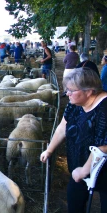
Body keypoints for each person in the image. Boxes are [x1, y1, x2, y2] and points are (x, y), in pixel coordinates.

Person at [40, 67, 107, 213]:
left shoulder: (104, 109)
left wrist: (84, 170)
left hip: (102, 170)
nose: (67, 94)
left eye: (71, 90)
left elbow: (103, 146)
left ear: (89, 91)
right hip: (78, 168)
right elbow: (62, 127)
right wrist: (50, 149)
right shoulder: (74, 103)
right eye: (67, 89)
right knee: (74, 205)